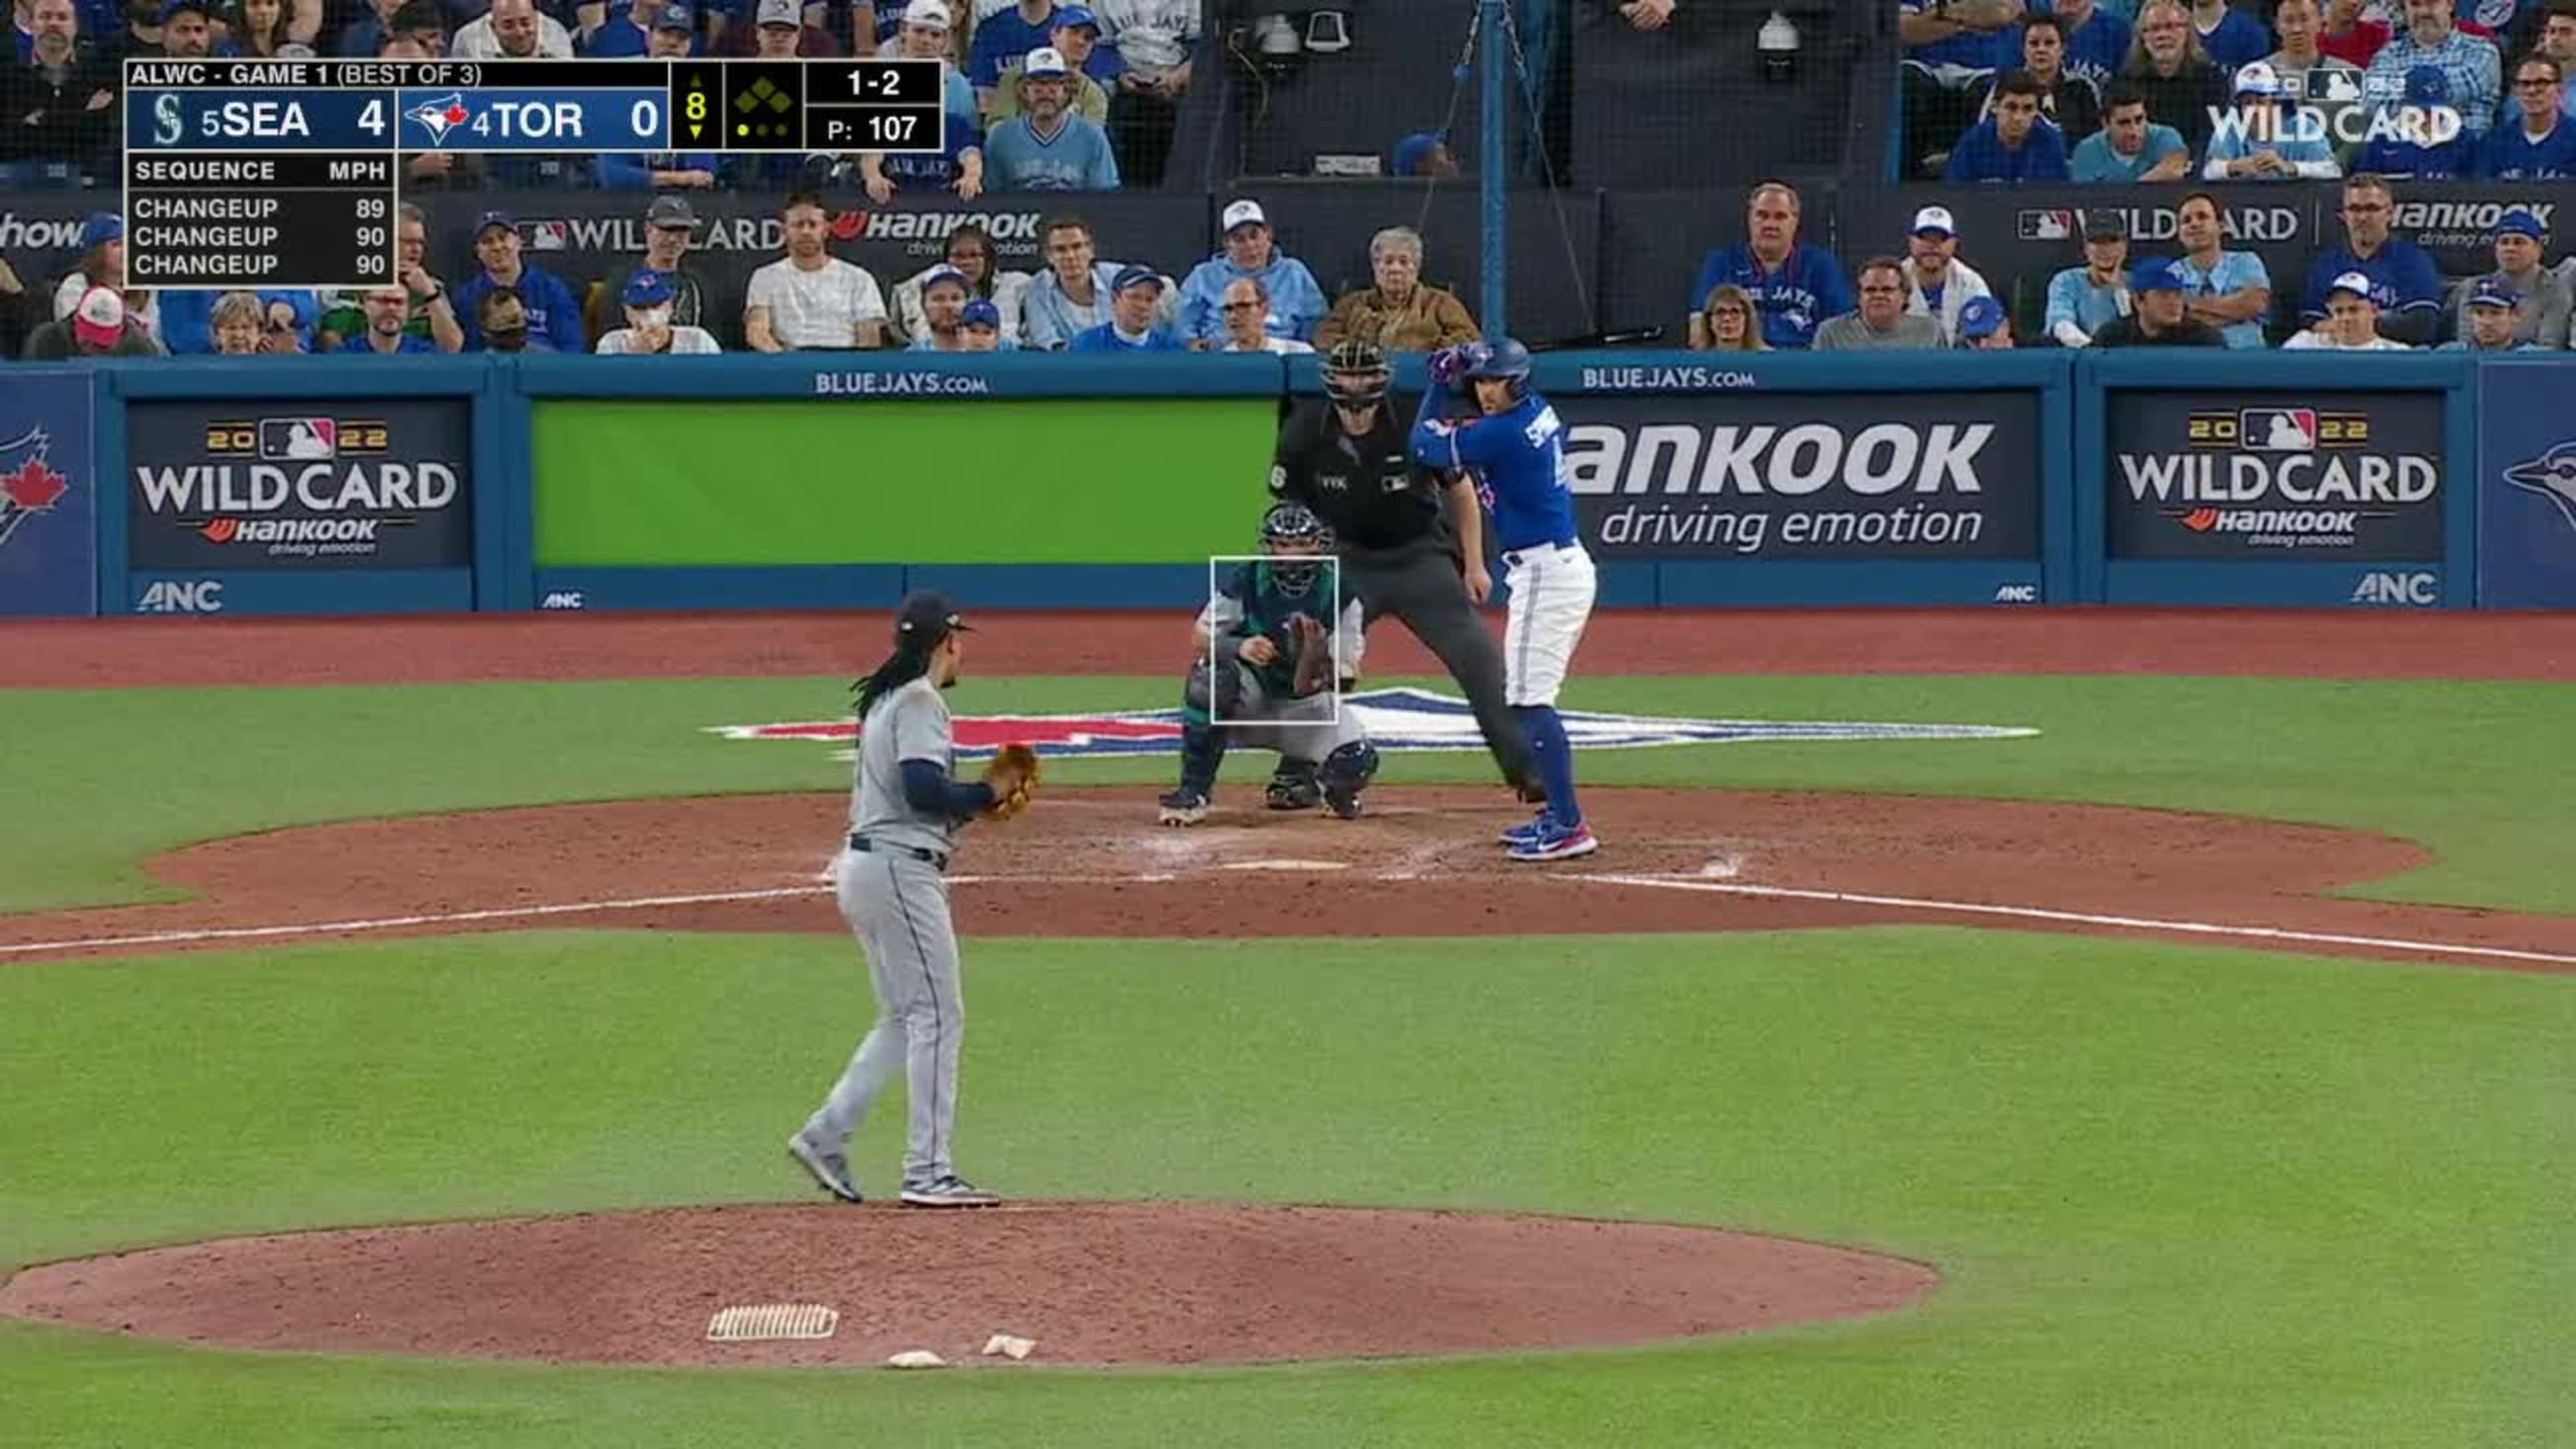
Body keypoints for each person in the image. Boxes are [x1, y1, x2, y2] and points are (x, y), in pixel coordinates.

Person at [786, 591, 1032, 1212]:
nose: (962, 649)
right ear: (945, 642)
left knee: (904, 1017)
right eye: (959, 639)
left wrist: (978, 806)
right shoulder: (922, 699)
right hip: (898, 874)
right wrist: (982, 794)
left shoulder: (887, 700)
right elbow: (923, 789)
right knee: (938, 1016)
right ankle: (928, 1171)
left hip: (871, 868)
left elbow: (911, 801)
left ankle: (827, 1134)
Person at [1269, 339, 1541, 804]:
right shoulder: (1303, 428)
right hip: (1346, 559)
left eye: (1364, 374)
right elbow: (1289, 511)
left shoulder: (1415, 420)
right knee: (1306, 652)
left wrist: (1474, 563)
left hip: (1419, 557)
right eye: (1347, 375)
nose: (1356, 385)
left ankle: (1527, 769)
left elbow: (1462, 492)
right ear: (1332, 380)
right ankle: (1297, 772)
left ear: (1382, 378)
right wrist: (1302, 575)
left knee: (1478, 659)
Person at [1410, 339, 1599, 863]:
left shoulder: (1507, 432)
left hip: (1548, 572)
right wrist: (1459, 377)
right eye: (1481, 381)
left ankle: (1568, 824)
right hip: (1548, 566)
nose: (1486, 390)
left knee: (1529, 699)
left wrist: (1436, 385)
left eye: (1495, 381)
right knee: (1524, 696)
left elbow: (1422, 445)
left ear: (1518, 382)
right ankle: (1554, 816)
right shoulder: (1530, 412)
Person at [1155, 503, 1378, 827]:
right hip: (1249, 701)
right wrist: (1239, 646)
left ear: (1318, 544)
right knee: (1210, 679)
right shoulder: (1247, 578)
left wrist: (1314, 662)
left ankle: (1323, 789)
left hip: (1305, 707)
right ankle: (1193, 793)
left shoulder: (1341, 591)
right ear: (1269, 545)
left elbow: (1348, 673)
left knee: (1356, 759)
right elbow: (1200, 635)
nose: (1292, 554)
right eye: (1283, 544)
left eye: (1301, 544)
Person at [1683, 181, 1851, 351]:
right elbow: (1698, 333)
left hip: (1804, 366)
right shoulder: (1720, 263)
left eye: (1780, 216)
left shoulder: (1821, 265)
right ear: (1750, 219)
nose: (1770, 225)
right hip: (1741, 366)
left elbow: (1844, 333)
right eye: (1762, 215)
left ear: (1795, 222)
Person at [2299, 173, 2444, 344]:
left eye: (2372, 208)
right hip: (2338, 352)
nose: (2362, 217)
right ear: (2343, 215)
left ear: (2389, 213)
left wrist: (2355, 327)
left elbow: (2423, 324)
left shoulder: (2413, 260)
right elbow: (2310, 319)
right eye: (2354, 209)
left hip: (2394, 356)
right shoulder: (2327, 263)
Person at [745, 192, 889, 351]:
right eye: (798, 225)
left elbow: (869, 338)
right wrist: (785, 364)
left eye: (812, 224)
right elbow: (756, 331)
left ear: (826, 230)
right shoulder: (765, 276)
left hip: (842, 365)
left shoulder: (859, 278)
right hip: (788, 361)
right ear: (784, 231)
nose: (806, 231)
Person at [1178, 200, 1328, 349]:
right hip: (1220, 358)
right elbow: (1182, 327)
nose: (1249, 245)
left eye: (1254, 235)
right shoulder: (1203, 275)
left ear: (1268, 236)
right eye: (1239, 239)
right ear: (1227, 244)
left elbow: (1317, 324)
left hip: (1280, 357)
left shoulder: (1294, 272)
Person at [1314, 225, 1479, 354]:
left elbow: (1471, 340)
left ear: (1416, 268)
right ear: (1375, 266)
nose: (1395, 269)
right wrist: (1360, 352)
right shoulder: (1351, 304)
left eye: (1404, 261)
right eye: (1388, 261)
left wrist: (1426, 346)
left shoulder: (1441, 302)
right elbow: (1323, 338)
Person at [1020, 212, 1173, 347]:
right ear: (1049, 256)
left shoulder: (1118, 276)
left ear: (1091, 250)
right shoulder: (1038, 289)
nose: (1071, 256)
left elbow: (1159, 293)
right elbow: (1049, 341)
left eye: (1077, 246)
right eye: (1060, 249)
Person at [980, 46, 1120, 191]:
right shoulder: (1000, 138)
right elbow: (991, 196)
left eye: (1054, 84)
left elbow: (1104, 199)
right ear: (1025, 90)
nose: (1046, 92)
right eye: (1038, 84)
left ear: (1066, 91)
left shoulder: (1092, 137)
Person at [2364, 0, 2502, 140]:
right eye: (2415, 4)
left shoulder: (2481, 51)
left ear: (2450, 5)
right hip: (2400, 154)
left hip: (2465, 156)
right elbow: (2372, 104)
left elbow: (2451, 90)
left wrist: (2398, 90)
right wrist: (2432, 95)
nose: (2423, 12)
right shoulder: (2387, 54)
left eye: (2432, 3)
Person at [454, 211, 585, 352]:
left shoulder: (551, 289)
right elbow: (468, 354)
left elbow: (571, 348)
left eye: (503, 238)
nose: (497, 246)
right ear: (478, 251)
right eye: (487, 241)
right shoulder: (467, 297)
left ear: (518, 242)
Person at [591, 196, 710, 347]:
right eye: (665, 230)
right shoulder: (622, 279)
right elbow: (610, 335)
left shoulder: (697, 284)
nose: (673, 239)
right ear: (648, 229)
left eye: (682, 230)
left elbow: (711, 337)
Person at [2446, 207, 2568, 345]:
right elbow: (2465, 346)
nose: (2510, 248)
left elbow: (2550, 348)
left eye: (2519, 242)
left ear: (2538, 248)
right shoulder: (2473, 288)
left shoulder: (2556, 289)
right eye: (2504, 242)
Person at [2122, 0, 2230, 152]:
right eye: (2154, 28)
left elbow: (2216, 137)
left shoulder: (2212, 81)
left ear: (2187, 32)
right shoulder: (2126, 83)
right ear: (2142, 38)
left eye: (2171, 26)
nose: (2163, 35)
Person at [2206, 59, 2346, 175]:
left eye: (2260, 102)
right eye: (2247, 103)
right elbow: (2208, 171)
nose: (2253, 110)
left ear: (2276, 102)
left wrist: (2291, 167)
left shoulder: (2303, 127)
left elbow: (2332, 170)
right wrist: (2233, 167)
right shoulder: (2230, 127)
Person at [1975, 15, 2105, 139]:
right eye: (2033, 43)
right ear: (2024, 49)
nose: (2041, 49)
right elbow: (1984, 134)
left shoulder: (2082, 87)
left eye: (2049, 43)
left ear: (2063, 49)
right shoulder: (2004, 85)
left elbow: (2095, 140)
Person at [2173, 190, 2275, 347]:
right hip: (2193, 361)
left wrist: (2193, 304)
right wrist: (2234, 311)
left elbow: (2254, 304)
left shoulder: (2246, 261)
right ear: (2179, 233)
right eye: (2186, 220)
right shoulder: (2172, 273)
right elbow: (2173, 320)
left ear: (2221, 226)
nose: (2194, 224)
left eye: (2202, 216)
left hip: (2248, 359)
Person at [1947, 68, 2075, 179]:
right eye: (2011, 107)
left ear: (2036, 111)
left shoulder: (2051, 143)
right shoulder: (1972, 143)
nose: (2018, 117)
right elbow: (1955, 196)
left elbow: (2057, 200)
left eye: (2028, 108)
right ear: (1994, 107)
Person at [2358, 64, 2477, 172]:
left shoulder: (2464, 140)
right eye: (2421, 111)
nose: (2428, 118)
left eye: (2434, 110)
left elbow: (2477, 189)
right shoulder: (2383, 139)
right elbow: (2365, 184)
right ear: (2405, 105)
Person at [1903, 205, 1996, 343]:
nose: (1932, 246)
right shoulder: (1893, 281)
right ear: (1911, 241)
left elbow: (1986, 335)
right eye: (1925, 237)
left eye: (1941, 238)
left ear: (1954, 243)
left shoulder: (1970, 283)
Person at [1814, 258, 1949, 349]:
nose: (1878, 295)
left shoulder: (1931, 331)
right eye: (1870, 290)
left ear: (1905, 295)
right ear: (1859, 296)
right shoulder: (1830, 333)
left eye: (1887, 290)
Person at [2089, 257, 2227, 344]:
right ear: (2139, 300)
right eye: (2164, 294)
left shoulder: (2204, 340)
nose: (2174, 302)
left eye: (2178, 294)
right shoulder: (2111, 339)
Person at [2045, 212, 2133, 346]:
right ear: (2086, 248)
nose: (2105, 250)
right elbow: (2061, 325)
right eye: (2097, 242)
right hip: (2076, 358)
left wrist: (2119, 289)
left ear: (2124, 246)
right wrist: (2092, 351)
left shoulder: (2136, 282)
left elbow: (2135, 332)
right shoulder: (2066, 280)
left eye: (2112, 241)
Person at [2072, 81, 2197, 177]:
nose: (2133, 131)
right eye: (2124, 123)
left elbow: (2175, 168)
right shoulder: (2086, 152)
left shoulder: (2166, 137)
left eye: (2139, 120)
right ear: (2105, 123)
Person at [2483, 53, 2576, 173]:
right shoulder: (2494, 142)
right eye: (2524, 84)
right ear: (2515, 91)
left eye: (2542, 83)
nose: (2532, 91)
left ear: (2559, 90)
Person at [597, 271, 721, 354]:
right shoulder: (612, 343)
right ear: (627, 312)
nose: (649, 314)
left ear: (670, 307)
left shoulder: (698, 340)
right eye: (639, 308)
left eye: (656, 306)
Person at [2285, 269, 2416, 347]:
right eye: (2339, 311)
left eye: (2354, 310)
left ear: (2374, 311)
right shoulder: (2305, 344)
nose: (2345, 318)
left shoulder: (2394, 353)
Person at [1066, 263, 1183, 350]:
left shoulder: (1172, 349)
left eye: (1150, 299)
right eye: (1134, 297)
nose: (1142, 306)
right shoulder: (1086, 345)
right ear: (1114, 299)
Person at [22, 283, 158, 358]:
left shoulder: (140, 348)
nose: (92, 349)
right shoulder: (45, 340)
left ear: (121, 330)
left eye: (102, 344)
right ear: (76, 320)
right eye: (87, 339)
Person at [2440, 274, 2543, 349]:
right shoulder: (2450, 354)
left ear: (2515, 315)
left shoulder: (2534, 359)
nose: (2486, 322)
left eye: (2495, 313)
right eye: (2479, 313)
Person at [1214, 277, 1313, 354]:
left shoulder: (1298, 352)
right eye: (1228, 309)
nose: (1233, 316)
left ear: (1264, 310)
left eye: (1244, 306)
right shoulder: (1220, 363)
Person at [338, 285, 441, 354]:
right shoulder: (344, 355)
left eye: (398, 302)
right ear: (364, 305)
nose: (391, 308)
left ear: (409, 309)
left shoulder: (425, 355)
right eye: (382, 301)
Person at [450, 0, 570, 56]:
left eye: (525, 23)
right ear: (493, 25)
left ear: (537, 19)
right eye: (508, 25)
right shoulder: (466, 40)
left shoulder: (555, 32)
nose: (520, 33)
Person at [903, 266, 976, 351]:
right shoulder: (912, 357)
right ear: (923, 305)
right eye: (938, 299)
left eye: (955, 298)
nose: (948, 305)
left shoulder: (984, 353)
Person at [1692, 282, 1771, 352]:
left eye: (1735, 312)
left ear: (1747, 319)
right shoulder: (1697, 360)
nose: (1727, 318)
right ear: (1709, 320)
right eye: (1720, 312)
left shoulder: (1768, 358)